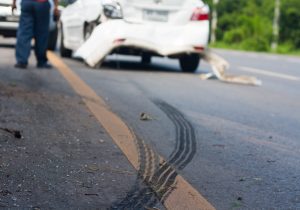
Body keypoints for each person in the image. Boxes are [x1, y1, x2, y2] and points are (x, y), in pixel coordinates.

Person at [12, 0, 59, 69]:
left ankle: (21, 61)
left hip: (27, 3)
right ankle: (41, 61)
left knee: (24, 33)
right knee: (42, 34)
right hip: (42, 3)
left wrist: (14, 3)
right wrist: (56, 7)